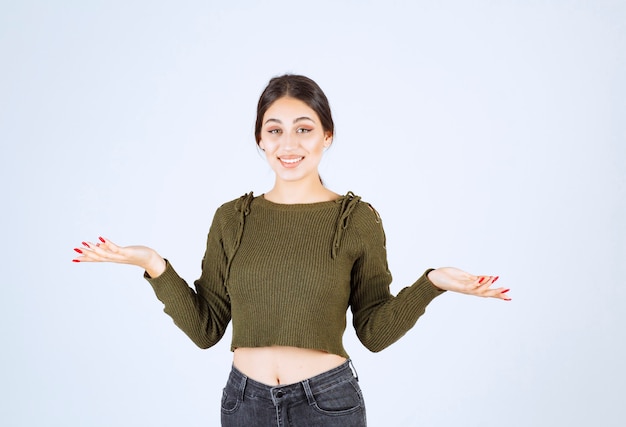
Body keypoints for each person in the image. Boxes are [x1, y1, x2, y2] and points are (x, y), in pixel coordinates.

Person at [73, 74, 511, 427]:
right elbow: (206, 328)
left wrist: (432, 284)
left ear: (327, 137)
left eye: (304, 129)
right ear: (260, 140)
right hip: (244, 403)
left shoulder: (355, 219)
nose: (289, 144)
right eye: (275, 130)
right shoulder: (232, 218)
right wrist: (153, 265)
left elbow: (374, 333)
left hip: (327, 404)